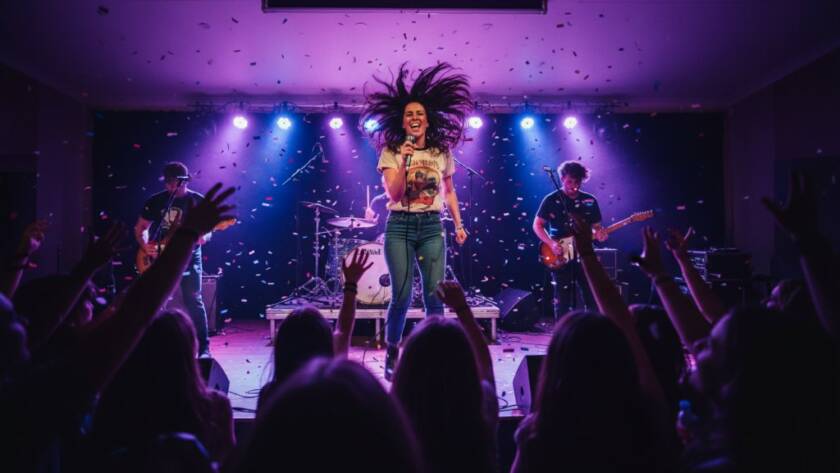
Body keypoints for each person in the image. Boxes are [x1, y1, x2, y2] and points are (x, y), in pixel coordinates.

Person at [361, 62, 471, 380]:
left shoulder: (441, 151)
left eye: (419, 114)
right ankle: (393, 352)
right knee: (403, 294)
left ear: (427, 119)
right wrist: (406, 162)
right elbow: (394, 195)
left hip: (432, 226)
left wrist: (460, 224)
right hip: (400, 227)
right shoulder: (392, 151)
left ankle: (435, 356)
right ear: (403, 120)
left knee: (436, 293)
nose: (414, 118)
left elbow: (449, 192)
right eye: (409, 114)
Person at [135, 162, 214, 357]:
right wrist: (146, 246)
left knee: (194, 299)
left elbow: (210, 230)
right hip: (160, 253)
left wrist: (204, 236)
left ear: (184, 181)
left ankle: (203, 348)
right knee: (155, 298)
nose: (170, 187)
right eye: (167, 183)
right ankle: (152, 345)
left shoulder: (196, 201)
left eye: (174, 183)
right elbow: (141, 228)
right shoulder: (155, 201)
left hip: (189, 253)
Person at [532, 160, 608, 318]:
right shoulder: (551, 199)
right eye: (569, 181)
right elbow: (537, 225)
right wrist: (551, 243)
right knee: (562, 298)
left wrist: (600, 233)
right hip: (560, 254)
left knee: (591, 294)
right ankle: (563, 334)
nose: (573, 185)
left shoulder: (590, 200)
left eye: (577, 181)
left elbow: (596, 226)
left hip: (585, 254)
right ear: (562, 179)